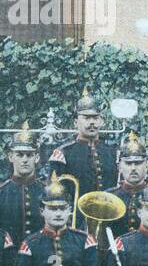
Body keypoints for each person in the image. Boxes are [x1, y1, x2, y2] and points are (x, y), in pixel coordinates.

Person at [48, 89, 117, 230]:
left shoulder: (111, 152)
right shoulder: (63, 154)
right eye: (86, 118)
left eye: (95, 118)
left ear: (101, 121)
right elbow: (55, 194)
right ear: (75, 122)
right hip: (78, 223)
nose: (92, 122)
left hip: (109, 221)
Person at [0, 122, 45, 247]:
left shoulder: (46, 192)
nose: (25, 159)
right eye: (19, 155)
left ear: (36, 158)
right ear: (10, 157)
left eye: (29, 155)